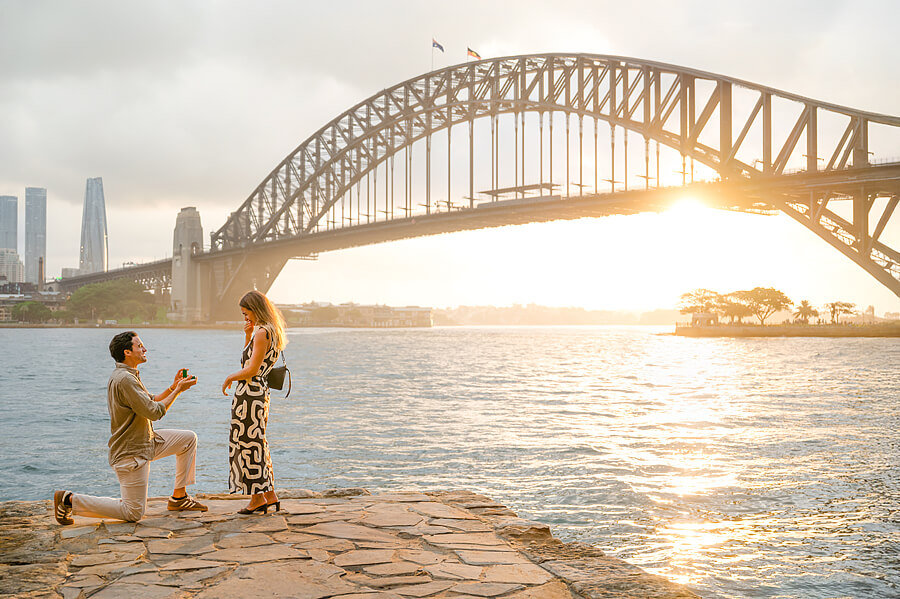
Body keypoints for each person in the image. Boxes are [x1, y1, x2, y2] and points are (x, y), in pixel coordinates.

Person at [53, 331, 207, 525]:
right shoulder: (124, 379)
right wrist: (178, 390)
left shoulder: (127, 375)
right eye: (139, 346)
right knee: (133, 512)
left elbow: (150, 400)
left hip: (147, 442)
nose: (145, 349)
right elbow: (155, 412)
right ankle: (68, 500)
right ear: (127, 352)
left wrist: (173, 386)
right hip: (131, 453)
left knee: (188, 439)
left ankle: (179, 498)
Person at [221, 290, 287, 514]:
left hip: (249, 394)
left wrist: (230, 377)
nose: (245, 318)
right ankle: (269, 495)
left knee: (247, 444)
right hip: (260, 393)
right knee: (257, 443)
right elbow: (252, 360)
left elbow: (251, 368)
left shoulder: (262, 332)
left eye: (247, 314)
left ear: (256, 309)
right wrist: (247, 336)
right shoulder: (272, 331)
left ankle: (257, 498)